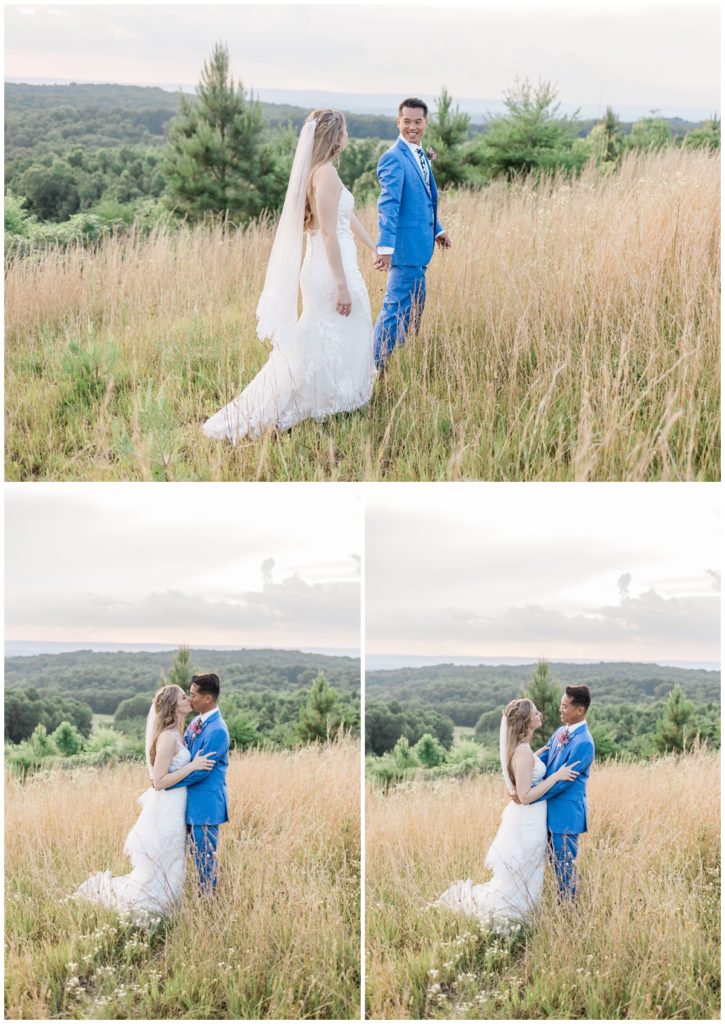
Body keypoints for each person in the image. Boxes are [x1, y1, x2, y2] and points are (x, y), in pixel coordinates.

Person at [203, 109, 377, 442]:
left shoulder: (321, 173)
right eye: (345, 130)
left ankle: (334, 395)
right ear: (335, 136)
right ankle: (323, 398)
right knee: (336, 328)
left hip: (331, 266)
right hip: (329, 270)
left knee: (329, 334)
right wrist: (341, 285)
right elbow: (328, 233)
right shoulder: (324, 174)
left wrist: (373, 248)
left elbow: (347, 217)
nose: (348, 135)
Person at [434, 698, 579, 932]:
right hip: (528, 820)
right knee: (523, 869)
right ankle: (512, 914)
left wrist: (540, 753)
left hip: (532, 820)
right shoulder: (522, 752)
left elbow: (528, 767)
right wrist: (556, 776)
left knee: (529, 869)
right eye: (535, 712)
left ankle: (523, 913)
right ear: (526, 720)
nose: (539, 713)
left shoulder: (524, 750)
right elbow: (525, 796)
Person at [73, 685, 215, 922]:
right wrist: (193, 765)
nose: (188, 698)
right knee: (165, 855)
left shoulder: (181, 733)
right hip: (167, 806)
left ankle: (167, 905)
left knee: (174, 856)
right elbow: (158, 781)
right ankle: (150, 904)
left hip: (178, 805)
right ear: (173, 705)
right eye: (183, 696)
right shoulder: (168, 738)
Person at [373, 98, 452, 368]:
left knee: (413, 310)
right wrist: (384, 249)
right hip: (404, 249)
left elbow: (422, 201)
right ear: (398, 122)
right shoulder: (393, 158)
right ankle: (375, 369)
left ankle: (396, 363)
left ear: (425, 123)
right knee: (394, 311)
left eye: (418, 121)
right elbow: (389, 205)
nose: (412, 127)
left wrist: (437, 229)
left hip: (420, 246)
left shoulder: (420, 154)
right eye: (406, 121)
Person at [165, 672, 230, 893]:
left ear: (207, 699)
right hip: (188, 803)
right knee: (191, 857)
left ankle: (208, 903)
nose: (190, 699)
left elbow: (201, 772)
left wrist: (167, 783)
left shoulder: (218, 730)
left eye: (193, 695)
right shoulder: (196, 722)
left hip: (206, 806)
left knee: (205, 859)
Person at [535, 685, 595, 900]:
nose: (560, 710)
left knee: (565, 866)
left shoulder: (585, 743)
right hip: (547, 811)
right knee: (549, 864)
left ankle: (568, 910)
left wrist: (531, 797)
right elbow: (544, 762)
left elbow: (563, 783)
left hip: (566, 816)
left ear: (579, 710)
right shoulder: (560, 732)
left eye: (564, 706)